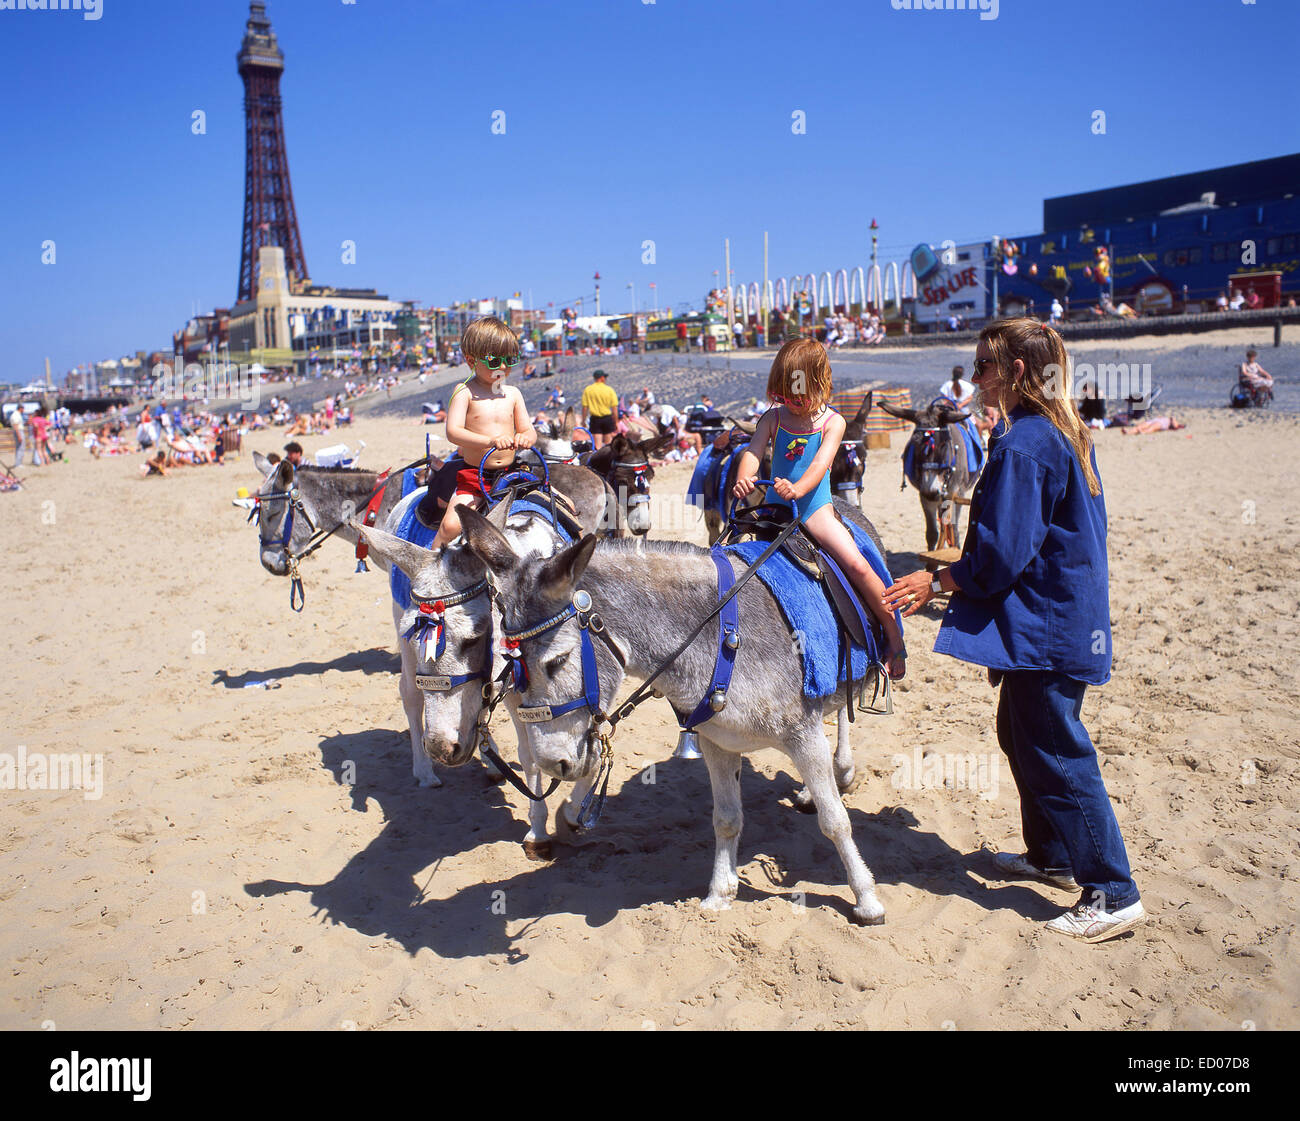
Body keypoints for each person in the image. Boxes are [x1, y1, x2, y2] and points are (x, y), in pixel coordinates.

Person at [882, 318, 1144, 944]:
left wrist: (935, 581)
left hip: (1049, 622)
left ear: (1016, 373)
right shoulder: (1058, 430)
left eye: (983, 366)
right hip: (1061, 614)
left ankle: (1113, 890)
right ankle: (1051, 853)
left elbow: (1002, 553)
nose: (974, 378)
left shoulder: (1027, 441)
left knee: (1055, 746)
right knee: (1020, 732)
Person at [732, 338, 906, 679]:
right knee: (732, 557)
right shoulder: (773, 418)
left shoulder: (833, 423)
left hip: (814, 509)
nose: (792, 404)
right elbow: (752, 452)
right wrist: (745, 477)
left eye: (799, 397)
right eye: (784, 397)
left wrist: (797, 488)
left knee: (856, 563)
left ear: (820, 384)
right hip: (775, 509)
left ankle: (893, 635)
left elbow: (821, 464)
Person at [432, 316, 535, 550]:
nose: (502, 367)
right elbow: (453, 432)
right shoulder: (465, 392)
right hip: (477, 477)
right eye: (493, 361)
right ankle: (429, 567)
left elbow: (528, 429)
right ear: (471, 361)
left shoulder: (513, 393)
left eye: (509, 360)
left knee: (563, 506)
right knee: (450, 526)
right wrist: (490, 441)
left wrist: (526, 437)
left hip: (514, 472)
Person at [580, 369, 620, 450]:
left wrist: (583, 421)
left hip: (595, 419)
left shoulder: (588, 390)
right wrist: (616, 422)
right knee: (608, 444)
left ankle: (598, 460)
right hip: (607, 418)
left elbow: (585, 407)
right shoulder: (609, 390)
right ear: (602, 378)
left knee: (597, 446)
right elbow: (614, 409)